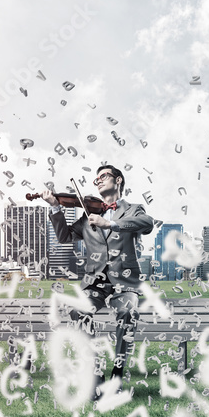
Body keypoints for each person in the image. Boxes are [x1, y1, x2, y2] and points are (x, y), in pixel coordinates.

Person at [41, 164, 154, 398]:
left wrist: (111, 224)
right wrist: (55, 208)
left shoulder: (133, 210)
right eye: (96, 179)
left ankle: (118, 376)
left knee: (128, 313)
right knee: (78, 312)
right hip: (96, 284)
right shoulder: (88, 216)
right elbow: (64, 237)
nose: (99, 181)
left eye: (104, 176)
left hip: (124, 283)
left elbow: (147, 224)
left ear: (119, 180)